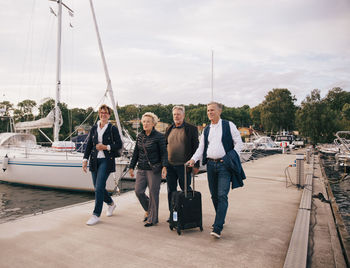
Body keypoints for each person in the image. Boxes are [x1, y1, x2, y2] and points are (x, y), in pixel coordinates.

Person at [187, 102, 245, 238]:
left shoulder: (228, 125)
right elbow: (201, 148)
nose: (209, 112)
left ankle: (217, 227)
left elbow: (239, 143)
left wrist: (229, 157)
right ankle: (221, 218)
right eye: (208, 110)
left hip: (224, 165)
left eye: (212, 110)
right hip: (211, 166)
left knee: (222, 195)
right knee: (214, 195)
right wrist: (193, 159)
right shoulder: (206, 129)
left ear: (220, 111)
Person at [83, 104, 123, 226]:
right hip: (94, 160)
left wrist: (106, 147)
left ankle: (96, 215)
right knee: (97, 187)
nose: (103, 115)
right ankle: (111, 204)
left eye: (105, 113)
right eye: (101, 112)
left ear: (109, 115)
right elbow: (89, 144)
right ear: (99, 114)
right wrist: (85, 159)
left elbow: (119, 145)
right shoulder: (94, 128)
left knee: (99, 186)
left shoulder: (112, 129)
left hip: (106, 160)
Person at [129, 112, 168, 227]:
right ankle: (149, 210)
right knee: (138, 191)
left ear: (153, 124)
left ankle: (152, 219)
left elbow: (164, 153)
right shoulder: (140, 136)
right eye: (144, 121)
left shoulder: (159, 136)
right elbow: (136, 152)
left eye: (148, 122)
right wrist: (131, 166)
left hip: (154, 169)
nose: (145, 124)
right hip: (141, 168)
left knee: (153, 194)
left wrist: (164, 167)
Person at [165, 105, 199, 219]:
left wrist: (196, 165)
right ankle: (173, 215)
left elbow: (196, 147)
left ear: (183, 115)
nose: (176, 116)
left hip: (184, 166)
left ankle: (188, 213)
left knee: (186, 190)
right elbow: (165, 147)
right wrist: (164, 165)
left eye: (179, 114)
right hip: (170, 166)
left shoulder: (191, 129)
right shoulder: (169, 129)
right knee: (171, 191)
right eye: (174, 114)